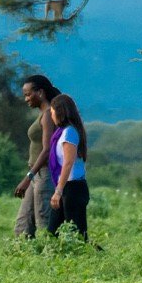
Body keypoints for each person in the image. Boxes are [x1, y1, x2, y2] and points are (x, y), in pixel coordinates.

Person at [12, 73, 61, 239]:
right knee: (23, 226)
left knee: (45, 224)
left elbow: (47, 150)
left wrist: (28, 177)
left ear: (40, 93)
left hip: (44, 175)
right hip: (36, 175)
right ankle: (25, 260)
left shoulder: (48, 114)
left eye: (28, 94)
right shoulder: (43, 114)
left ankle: (56, 259)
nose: (26, 99)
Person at [42, 92, 91, 242]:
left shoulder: (69, 132)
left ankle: (103, 259)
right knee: (53, 233)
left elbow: (68, 163)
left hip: (73, 189)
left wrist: (58, 191)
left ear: (60, 111)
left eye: (52, 112)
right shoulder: (61, 132)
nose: (51, 116)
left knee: (78, 237)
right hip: (67, 188)